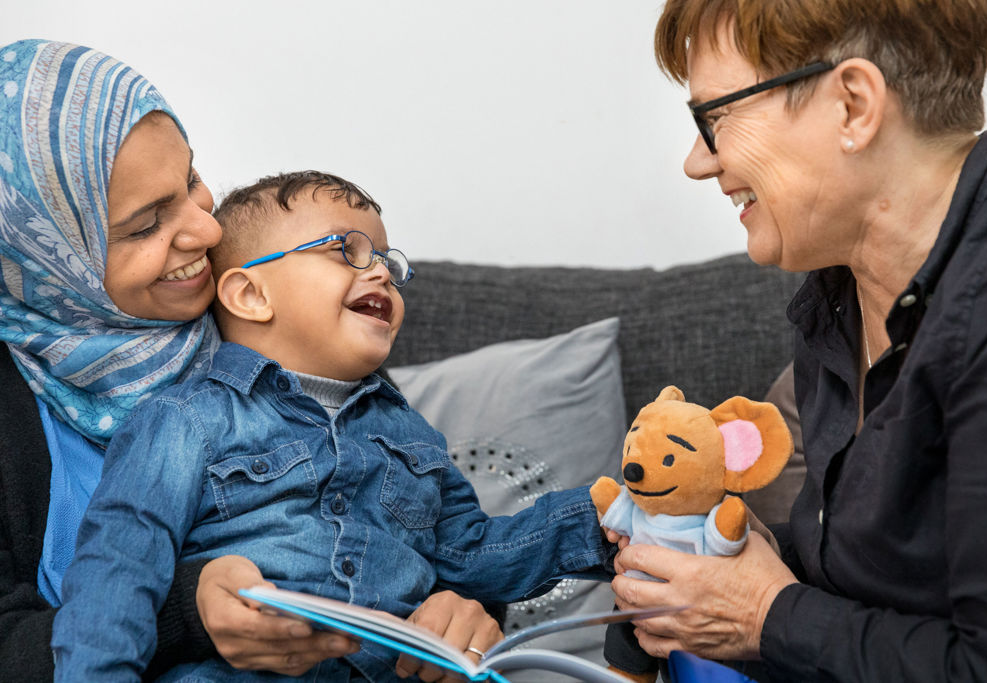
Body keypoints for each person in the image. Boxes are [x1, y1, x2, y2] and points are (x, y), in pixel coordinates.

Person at [0, 39, 501, 682]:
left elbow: (423, 525)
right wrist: (189, 610)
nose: (207, 233)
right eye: (146, 224)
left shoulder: (289, 330)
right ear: (48, 258)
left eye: (189, 181)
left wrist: (464, 611)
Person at [51, 169, 614, 681]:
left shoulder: (412, 433)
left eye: (389, 263)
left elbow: (474, 554)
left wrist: (610, 520)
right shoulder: (184, 420)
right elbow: (117, 573)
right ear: (250, 294)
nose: (382, 273)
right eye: (347, 250)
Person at [605, 0, 987, 681]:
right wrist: (735, 562)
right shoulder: (838, 295)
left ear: (853, 105)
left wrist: (767, 613)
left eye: (714, 118)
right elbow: (885, 587)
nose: (695, 161)